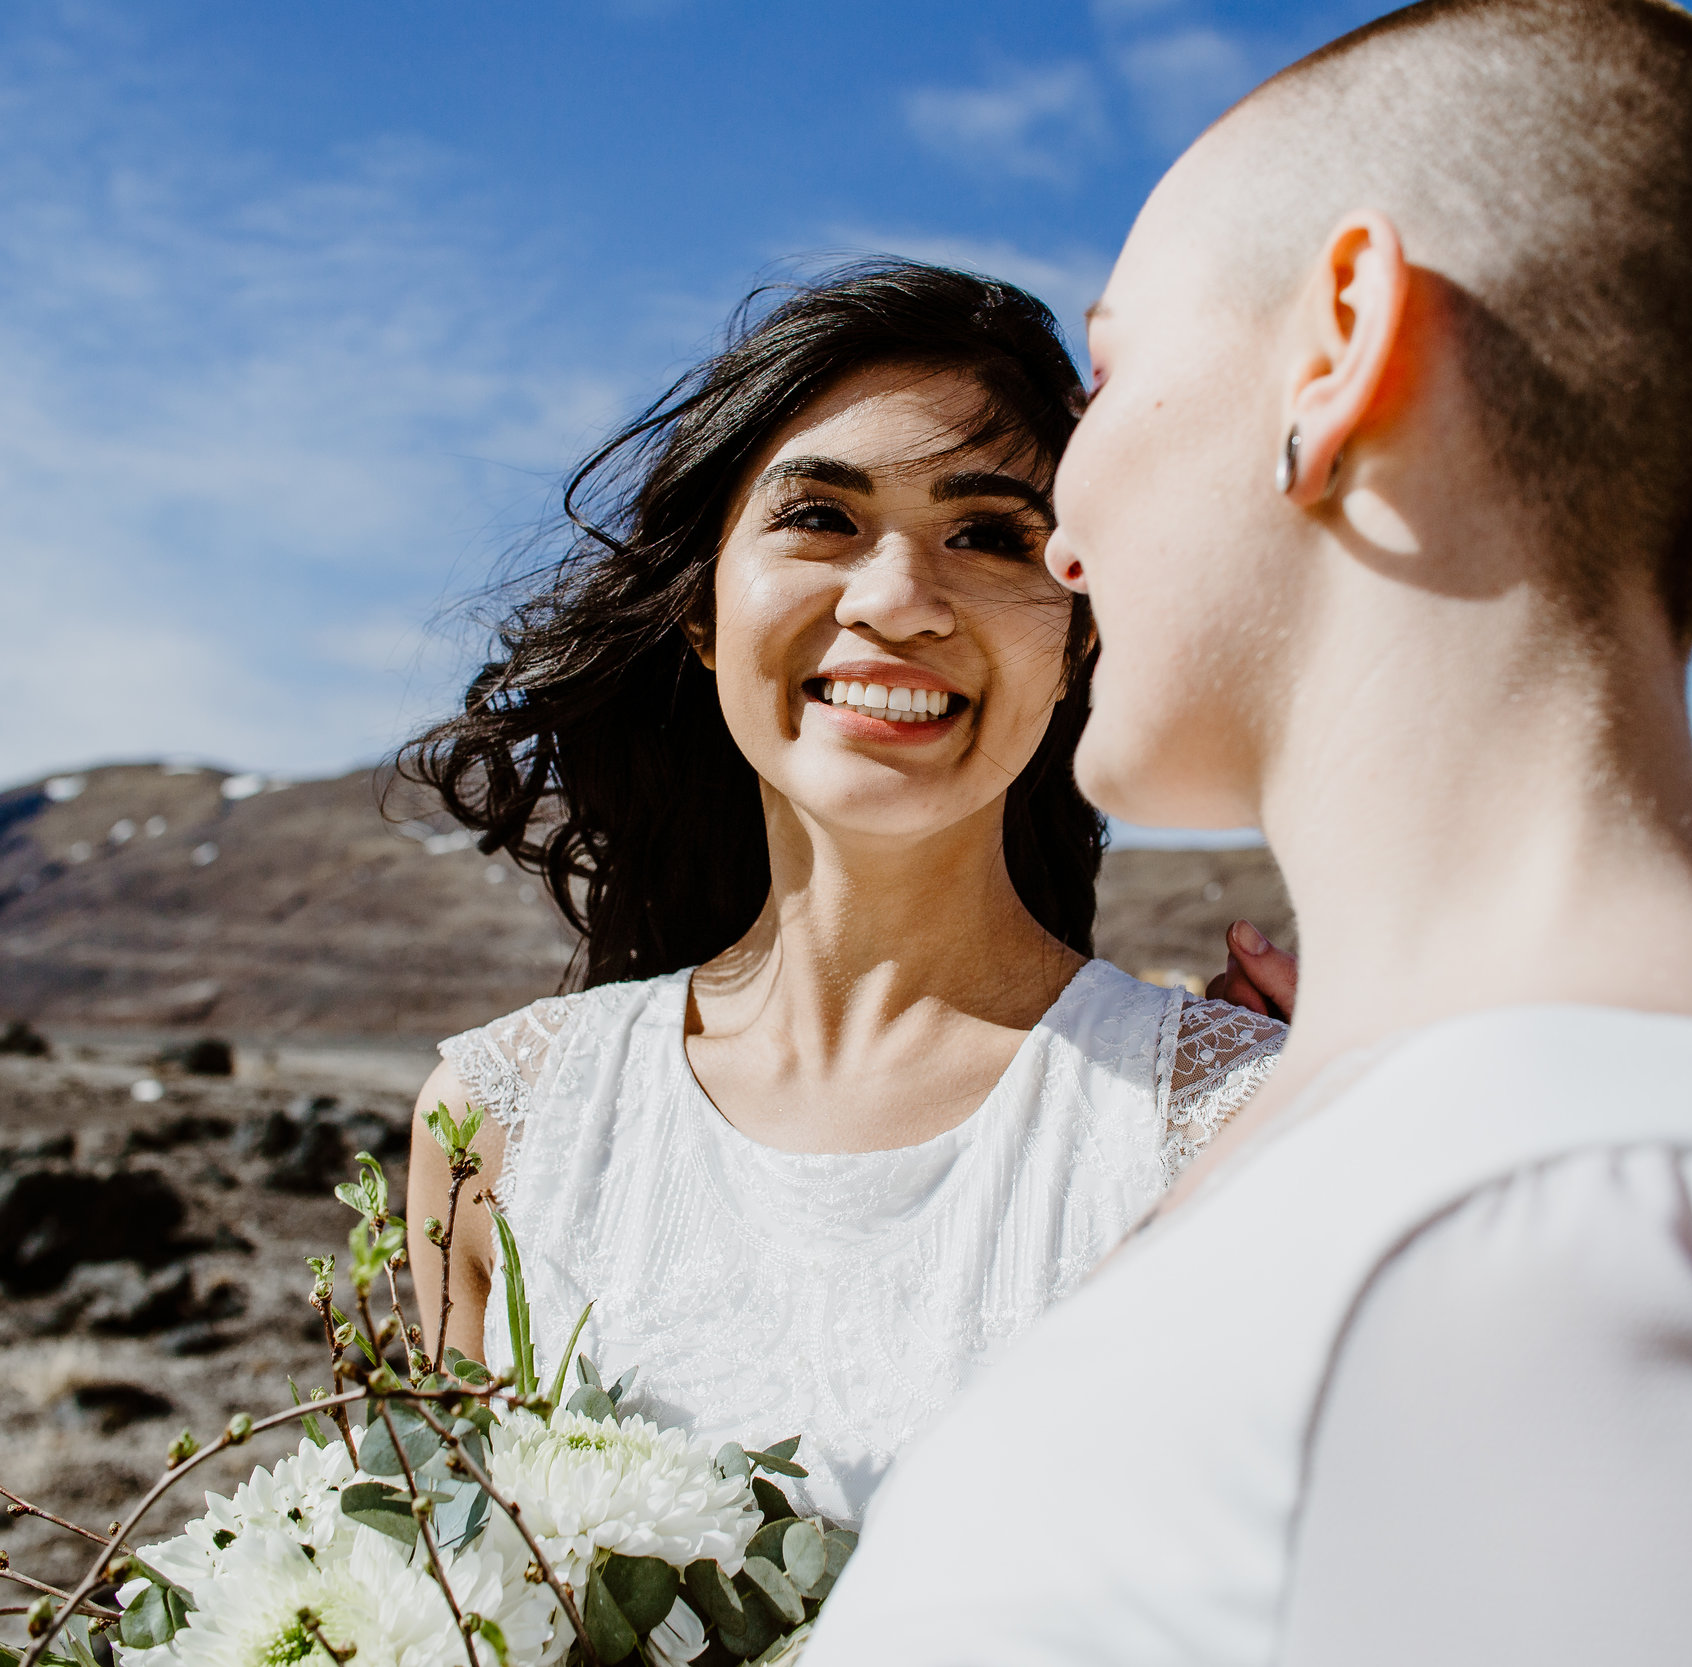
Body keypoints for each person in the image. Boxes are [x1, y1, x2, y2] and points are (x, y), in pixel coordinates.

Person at [804, 2, 1692, 1662]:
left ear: (1339, 336)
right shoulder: (1506, 1185)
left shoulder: (1631, 1254)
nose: (1064, 532)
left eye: (1115, 374)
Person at [394, 261, 1291, 1526]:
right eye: (819, 516)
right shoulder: (498, 1121)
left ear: (1077, 635)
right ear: (701, 607)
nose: (894, 602)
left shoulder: (1242, 1124)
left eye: (986, 535)